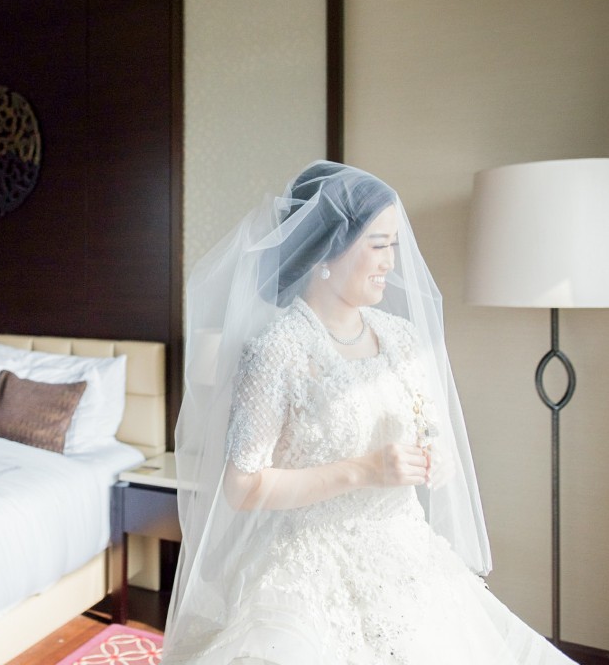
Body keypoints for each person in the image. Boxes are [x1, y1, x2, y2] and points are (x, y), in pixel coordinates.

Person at [163, 161, 573, 664]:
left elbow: (430, 431)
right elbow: (241, 487)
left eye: (393, 245)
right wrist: (364, 470)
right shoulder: (275, 352)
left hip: (407, 555)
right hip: (309, 567)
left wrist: (436, 457)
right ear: (326, 249)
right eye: (378, 245)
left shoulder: (401, 338)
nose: (391, 262)